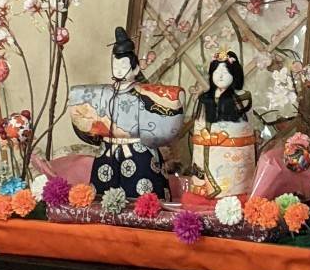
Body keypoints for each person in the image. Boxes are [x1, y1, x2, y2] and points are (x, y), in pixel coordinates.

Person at [69, 27, 184, 200]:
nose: (119, 70)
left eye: (124, 65)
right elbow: (86, 113)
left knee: (142, 197)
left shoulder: (145, 94)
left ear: (136, 69)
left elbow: (166, 109)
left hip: (139, 150)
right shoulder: (103, 93)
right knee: (102, 197)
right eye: (116, 65)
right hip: (108, 149)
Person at [191, 50, 256, 199]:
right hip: (204, 149)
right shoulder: (204, 98)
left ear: (235, 74)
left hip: (231, 154)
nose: (220, 76)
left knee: (232, 187)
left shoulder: (242, 97)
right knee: (203, 184)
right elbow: (199, 126)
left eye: (225, 72)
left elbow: (245, 128)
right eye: (216, 71)